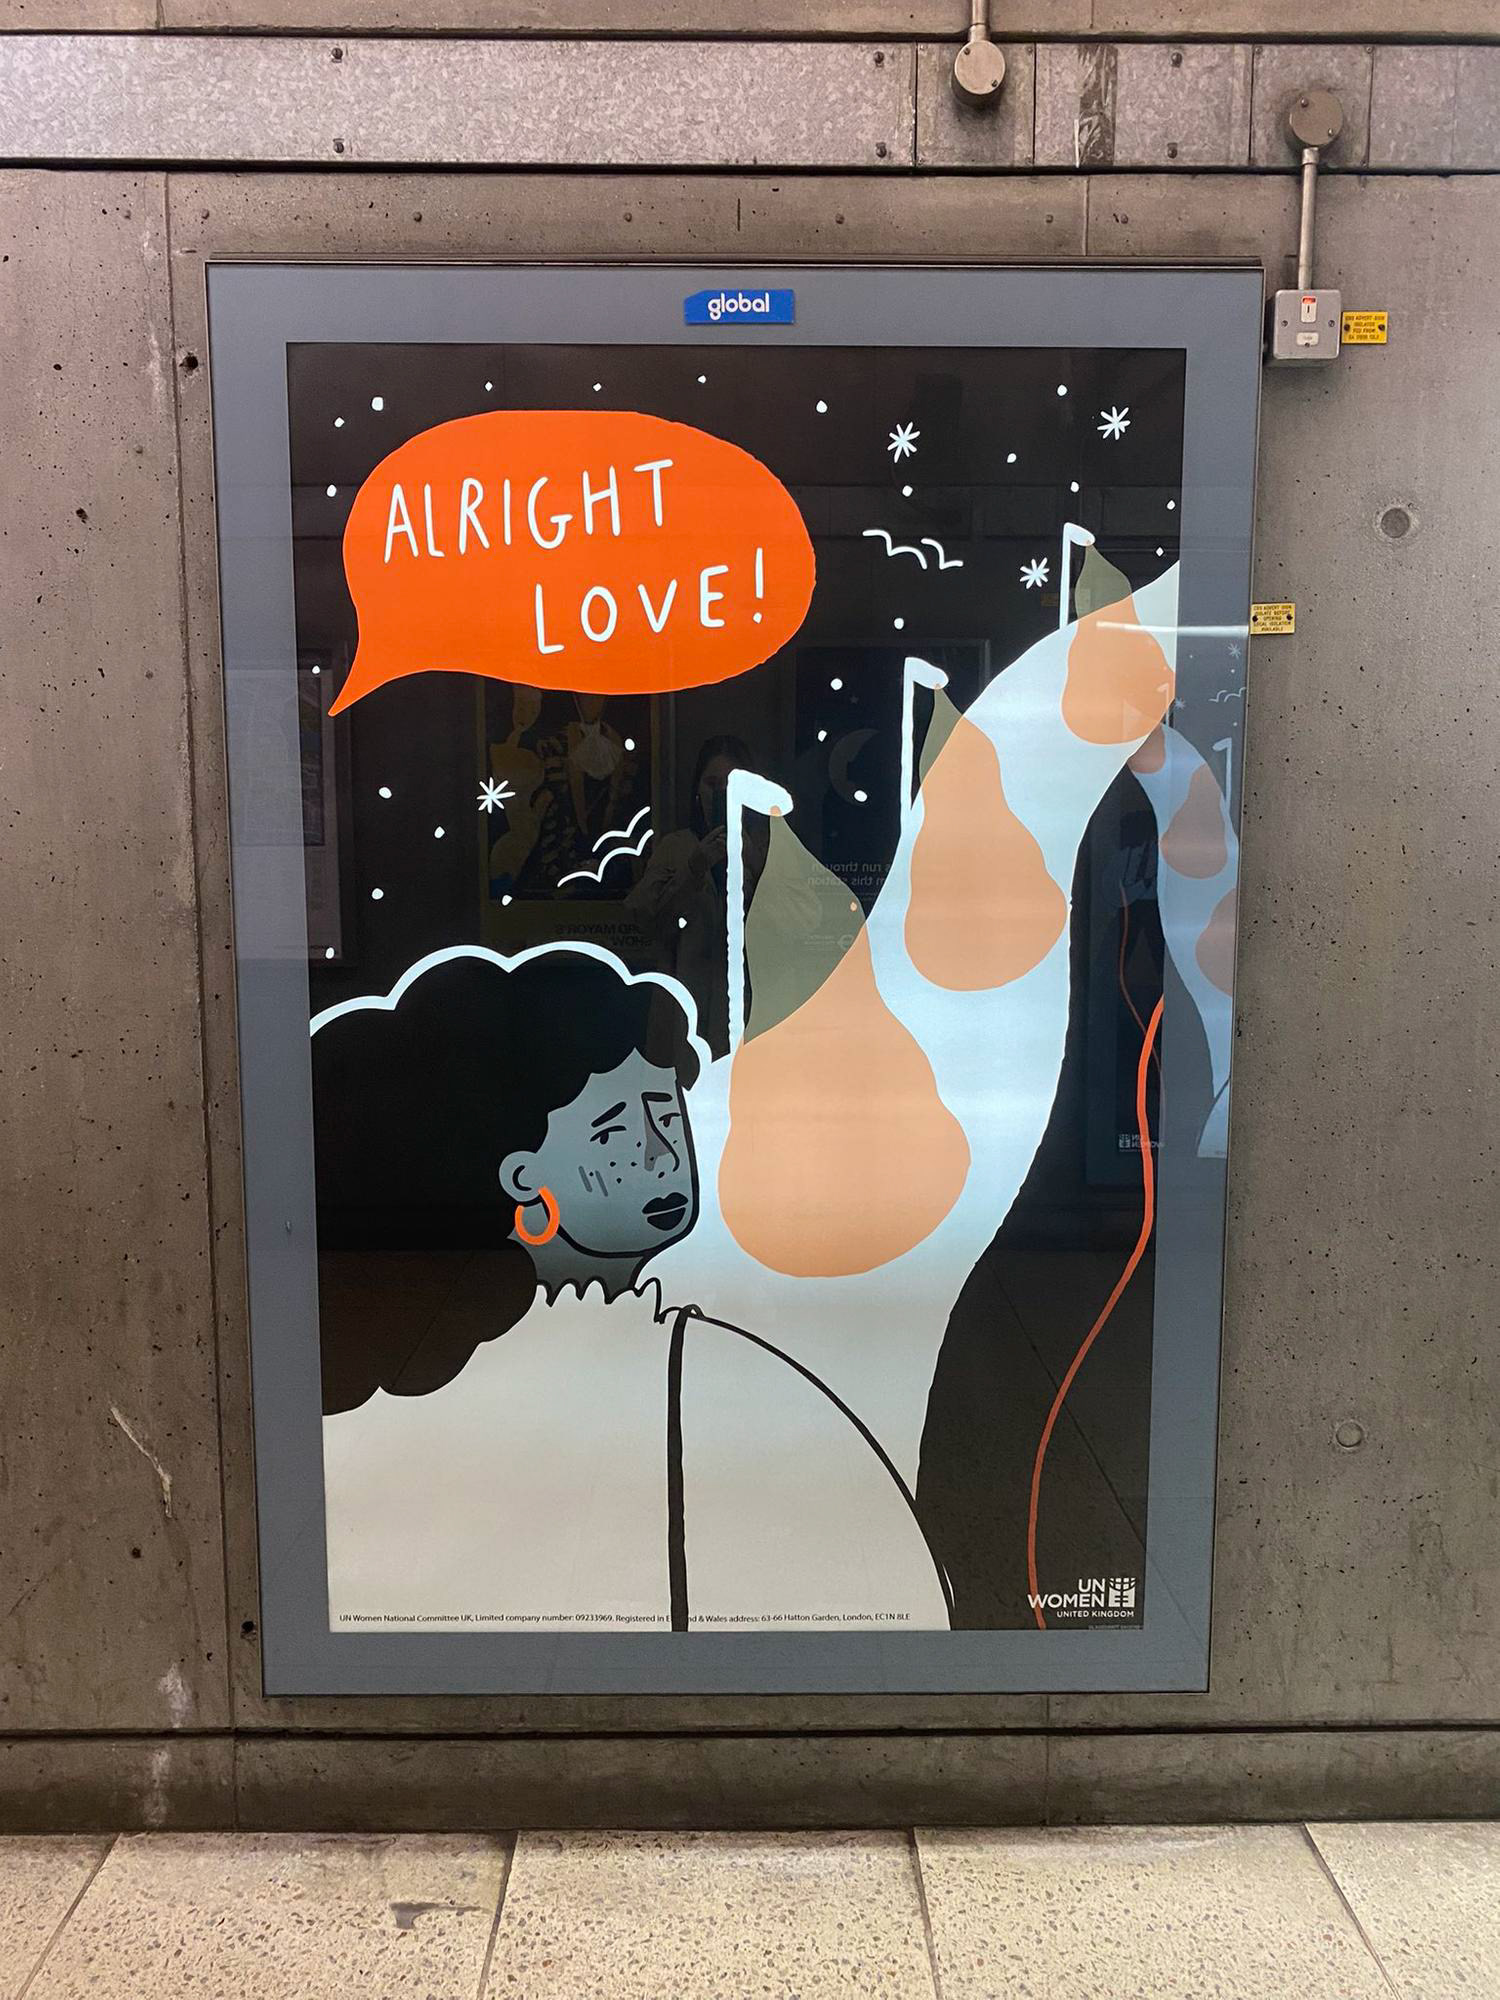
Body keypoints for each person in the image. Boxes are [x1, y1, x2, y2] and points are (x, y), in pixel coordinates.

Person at [315, 947, 952, 1633]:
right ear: (521, 1176)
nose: (661, 1152)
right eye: (614, 1130)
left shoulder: (434, 1376)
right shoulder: (694, 1370)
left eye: (666, 1114)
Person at [627, 735, 763, 1055]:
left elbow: (794, 930)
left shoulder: (767, 849)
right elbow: (645, 920)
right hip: (684, 1013)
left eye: (732, 786)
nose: (720, 793)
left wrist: (753, 864)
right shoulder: (675, 848)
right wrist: (694, 868)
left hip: (748, 1013)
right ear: (697, 790)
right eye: (712, 783)